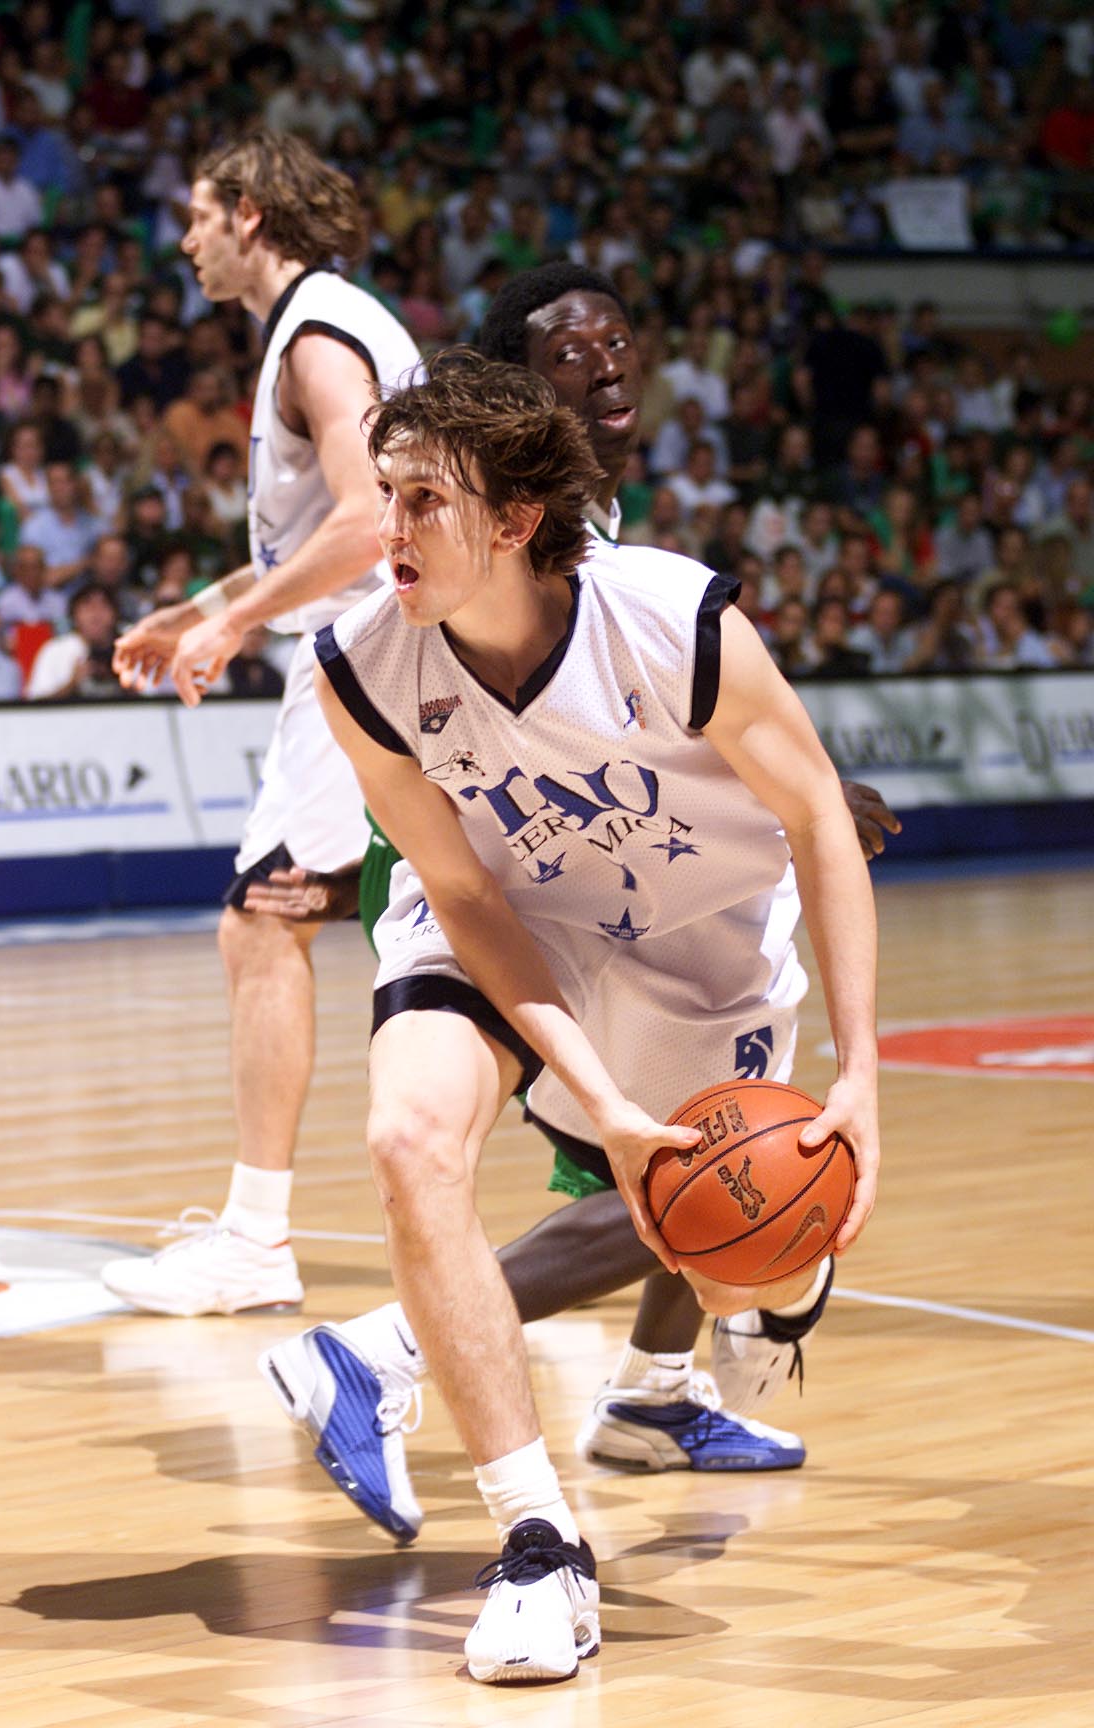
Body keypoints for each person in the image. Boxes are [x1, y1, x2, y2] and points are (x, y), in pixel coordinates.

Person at [261, 352, 879, 1684]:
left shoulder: (668, 620)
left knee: (731, 1258)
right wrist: (595, 1097)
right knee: (409, 1139)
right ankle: (539, 1542)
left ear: (515, 520)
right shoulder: (361, 664)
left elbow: (821, 817)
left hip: (696, 942)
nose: (389, 528)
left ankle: (755, 1311)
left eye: (424, 500)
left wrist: (864, 1075)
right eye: (384, 494)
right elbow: (464, 895)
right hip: (510, 914)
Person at [98, 131, 421, 1315]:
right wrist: (200, 607)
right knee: (478, 923)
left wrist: (233, 627)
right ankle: (622, 1187)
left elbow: (365, 522)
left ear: (248, 213)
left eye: (197, 216)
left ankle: (254, 1240)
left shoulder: (319, 336)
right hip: (406, 640)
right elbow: (320, 538)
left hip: (370, 648)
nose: (185, 241)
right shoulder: (334, 323)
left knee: (261, 923)